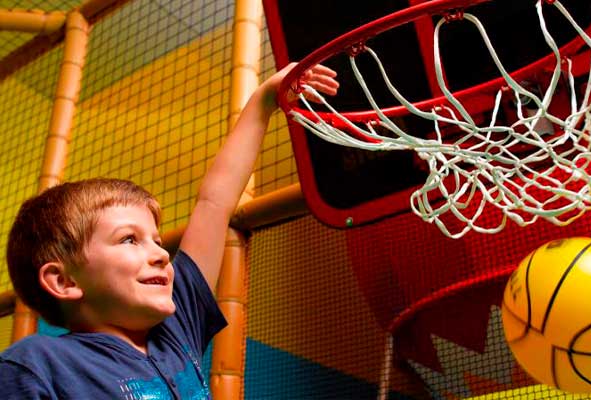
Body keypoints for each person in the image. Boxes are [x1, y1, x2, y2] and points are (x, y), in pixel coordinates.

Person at [0, 63, 338, 399]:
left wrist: (265, 100)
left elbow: (215, 204)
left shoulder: (176, 330)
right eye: (129, 239)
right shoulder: (35, 365)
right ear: (64, 281)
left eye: (157, 241)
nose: (162, 254)